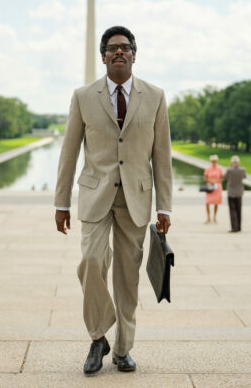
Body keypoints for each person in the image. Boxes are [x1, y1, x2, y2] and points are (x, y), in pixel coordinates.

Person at [54, 26, 172, 376]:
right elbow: (69, 151)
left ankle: (122, 349)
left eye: (125, 48)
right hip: (95, 194)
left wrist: (165, 206)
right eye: (112, 48)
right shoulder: (83, 96)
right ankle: (97, 335)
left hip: (136, 197)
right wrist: (61, 202)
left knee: (126, 278)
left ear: (135, 54)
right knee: (91, 261)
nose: (118, 53)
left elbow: (162, 155)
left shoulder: (155, 96)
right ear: (103, 55)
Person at [224, 155, 246, 232]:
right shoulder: (242, 170)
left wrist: (229, 167)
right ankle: (239, 227)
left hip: (231, 192)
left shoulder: (229, 170)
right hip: (239, 192)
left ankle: (234, 227)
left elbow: (224, 177)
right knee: (239, 210)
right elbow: (244, 177)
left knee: (232, 210)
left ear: (232, 162)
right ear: (238, 162)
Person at [204, 155, 224, 224]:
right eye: (213, 161)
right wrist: (210, 181)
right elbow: (205, 178)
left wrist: (215, 182)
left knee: (216, 203)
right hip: (209, 187)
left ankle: (215, 217)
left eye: (215, 161)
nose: (214, 162)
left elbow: (222, 178)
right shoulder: (208, 169)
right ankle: (208, 217)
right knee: (207, 202)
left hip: (217, 187)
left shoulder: (219, 169)